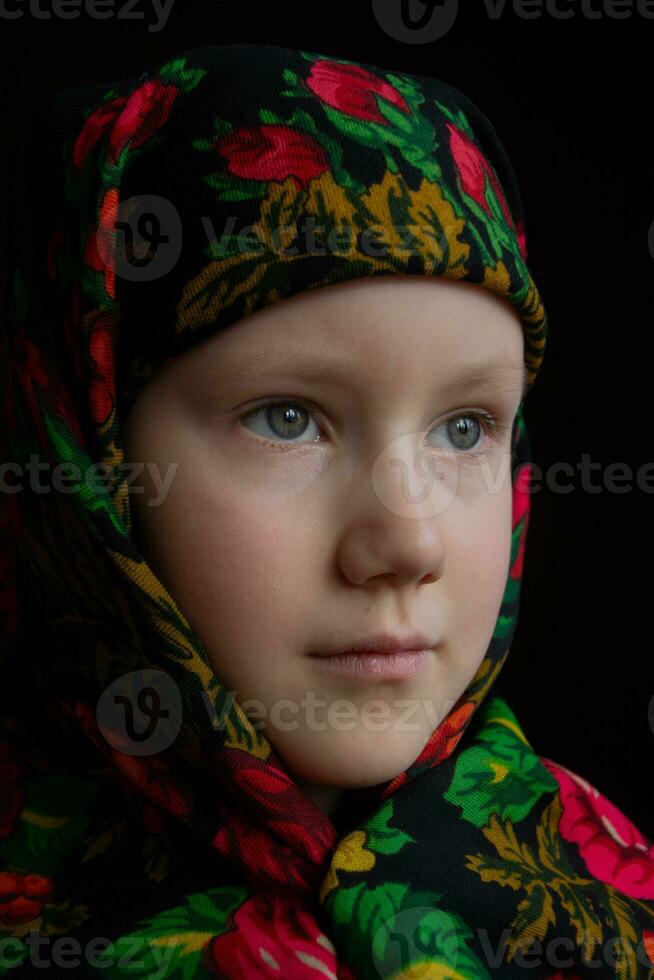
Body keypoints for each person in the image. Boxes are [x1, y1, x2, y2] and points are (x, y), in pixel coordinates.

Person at [0, 40, 652, 979]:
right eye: (289, 418)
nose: (408, 539)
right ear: (86, 450)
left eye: (466, 429)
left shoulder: (614, 906)